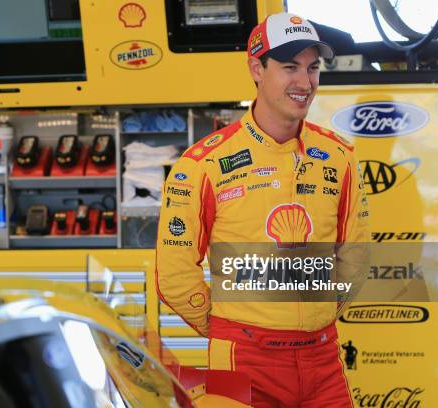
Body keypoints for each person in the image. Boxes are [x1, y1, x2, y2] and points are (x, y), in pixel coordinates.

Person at [156, 12, 369, 407]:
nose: (305, 83)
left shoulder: (340, 157)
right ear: (257, 68)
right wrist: (228, 328)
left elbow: (354, 253)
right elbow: (173, 273)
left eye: (313, 68)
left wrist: (320, 313)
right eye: (290, 67)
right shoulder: (202, 164)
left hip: (323, 357)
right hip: (243, 360)